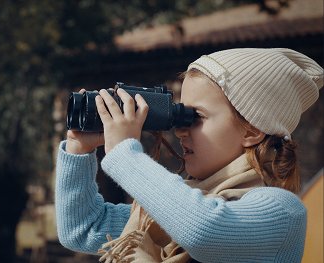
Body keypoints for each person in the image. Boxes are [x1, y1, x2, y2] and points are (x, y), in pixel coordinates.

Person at [55, 48, 323, 262]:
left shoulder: (282, 212)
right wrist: (79, 149)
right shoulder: (174, 210)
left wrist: (125, 155)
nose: (180, 130)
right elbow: (83, 229)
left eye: (197, 116)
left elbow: (204, 230)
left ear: (252, 131)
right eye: (181, 114)